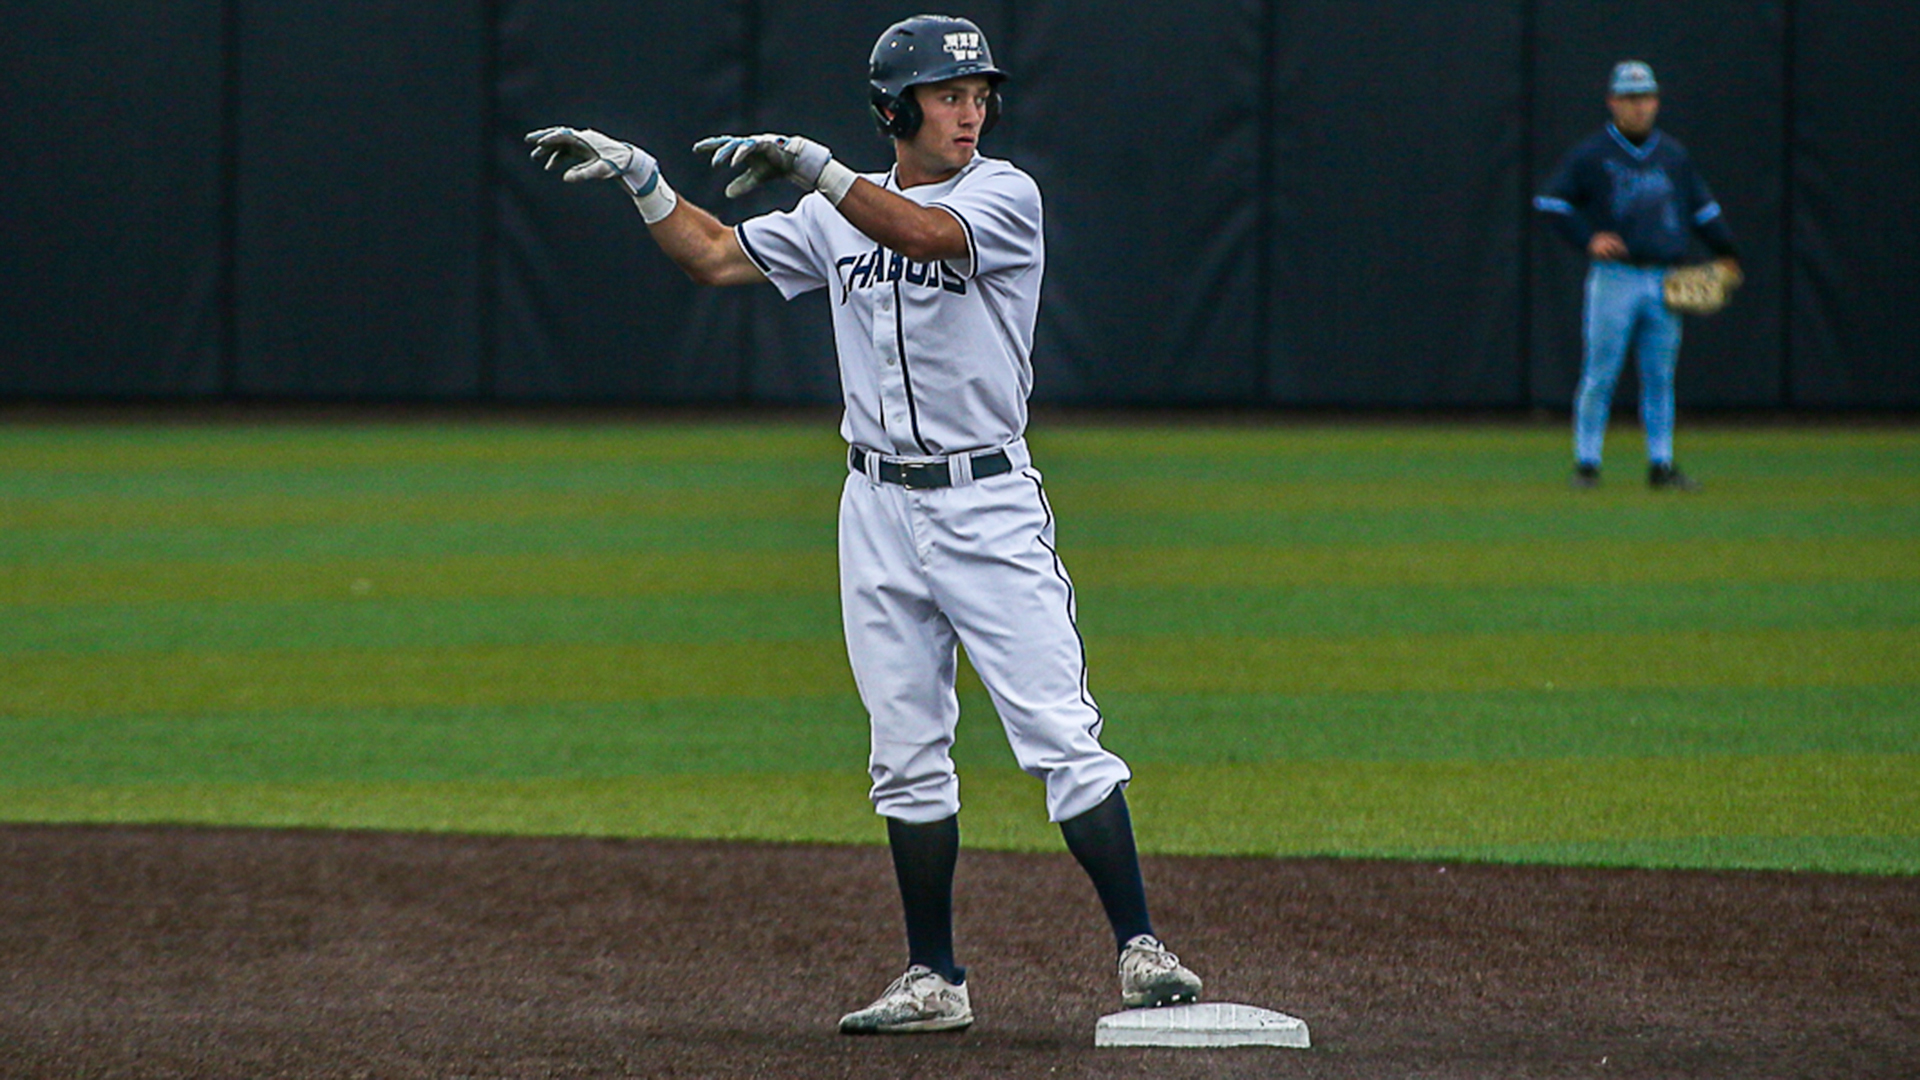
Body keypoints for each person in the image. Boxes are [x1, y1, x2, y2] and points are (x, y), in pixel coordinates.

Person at [525, 13, 1201, 1035]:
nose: (970, 110)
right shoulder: (841, 213)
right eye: (947, 95)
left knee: (1060, 734)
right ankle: (934, 978)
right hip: (875, 506)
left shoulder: (1002, 195)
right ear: (898, 109)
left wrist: (826, 173)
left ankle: (1142, 948)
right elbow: (713, 256)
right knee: (904, 749)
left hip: (984, 501)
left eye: (979, 93)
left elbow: (923, 233)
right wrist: (644, 179)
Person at [1534, 60, 1741, 492]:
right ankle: (1587, 464)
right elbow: (1550, 202)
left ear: (1657, 101)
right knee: (1600, 374)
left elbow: (1703, 212)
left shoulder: (1673, 155)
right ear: (1612, 102)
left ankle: (1660, 466)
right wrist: (1587, 238)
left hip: (1665, 280)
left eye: (1645, 97)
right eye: (1629, 98)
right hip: (1616, 278)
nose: (1639, 106)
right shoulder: (1593, 154)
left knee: (1660, 376)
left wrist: (1727, 253)